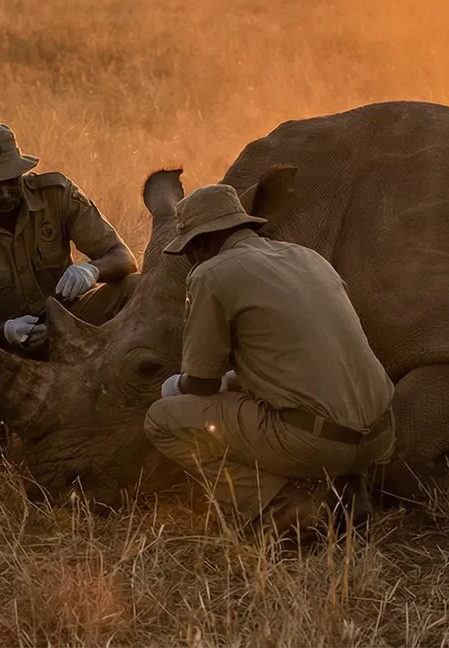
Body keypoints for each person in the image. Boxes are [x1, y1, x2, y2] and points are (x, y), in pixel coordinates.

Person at [143, 184, 394, 540]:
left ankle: (283, 508)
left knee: (162, 421)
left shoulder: (210, 275)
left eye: (188, 250)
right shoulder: (307, 257)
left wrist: (172, 387)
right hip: (379, 435)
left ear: (199, 243)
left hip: (318, 444)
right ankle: (351, 494)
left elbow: (201, 384)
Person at [0, 123, 135, 445]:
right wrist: (5, 330)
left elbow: (123, 258)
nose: (4, 193)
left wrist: (91, 270)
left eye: (10, 180)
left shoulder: (56, 193)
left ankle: (125, 406)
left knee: (135, 287)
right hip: (0, 347)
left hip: (70, 325)